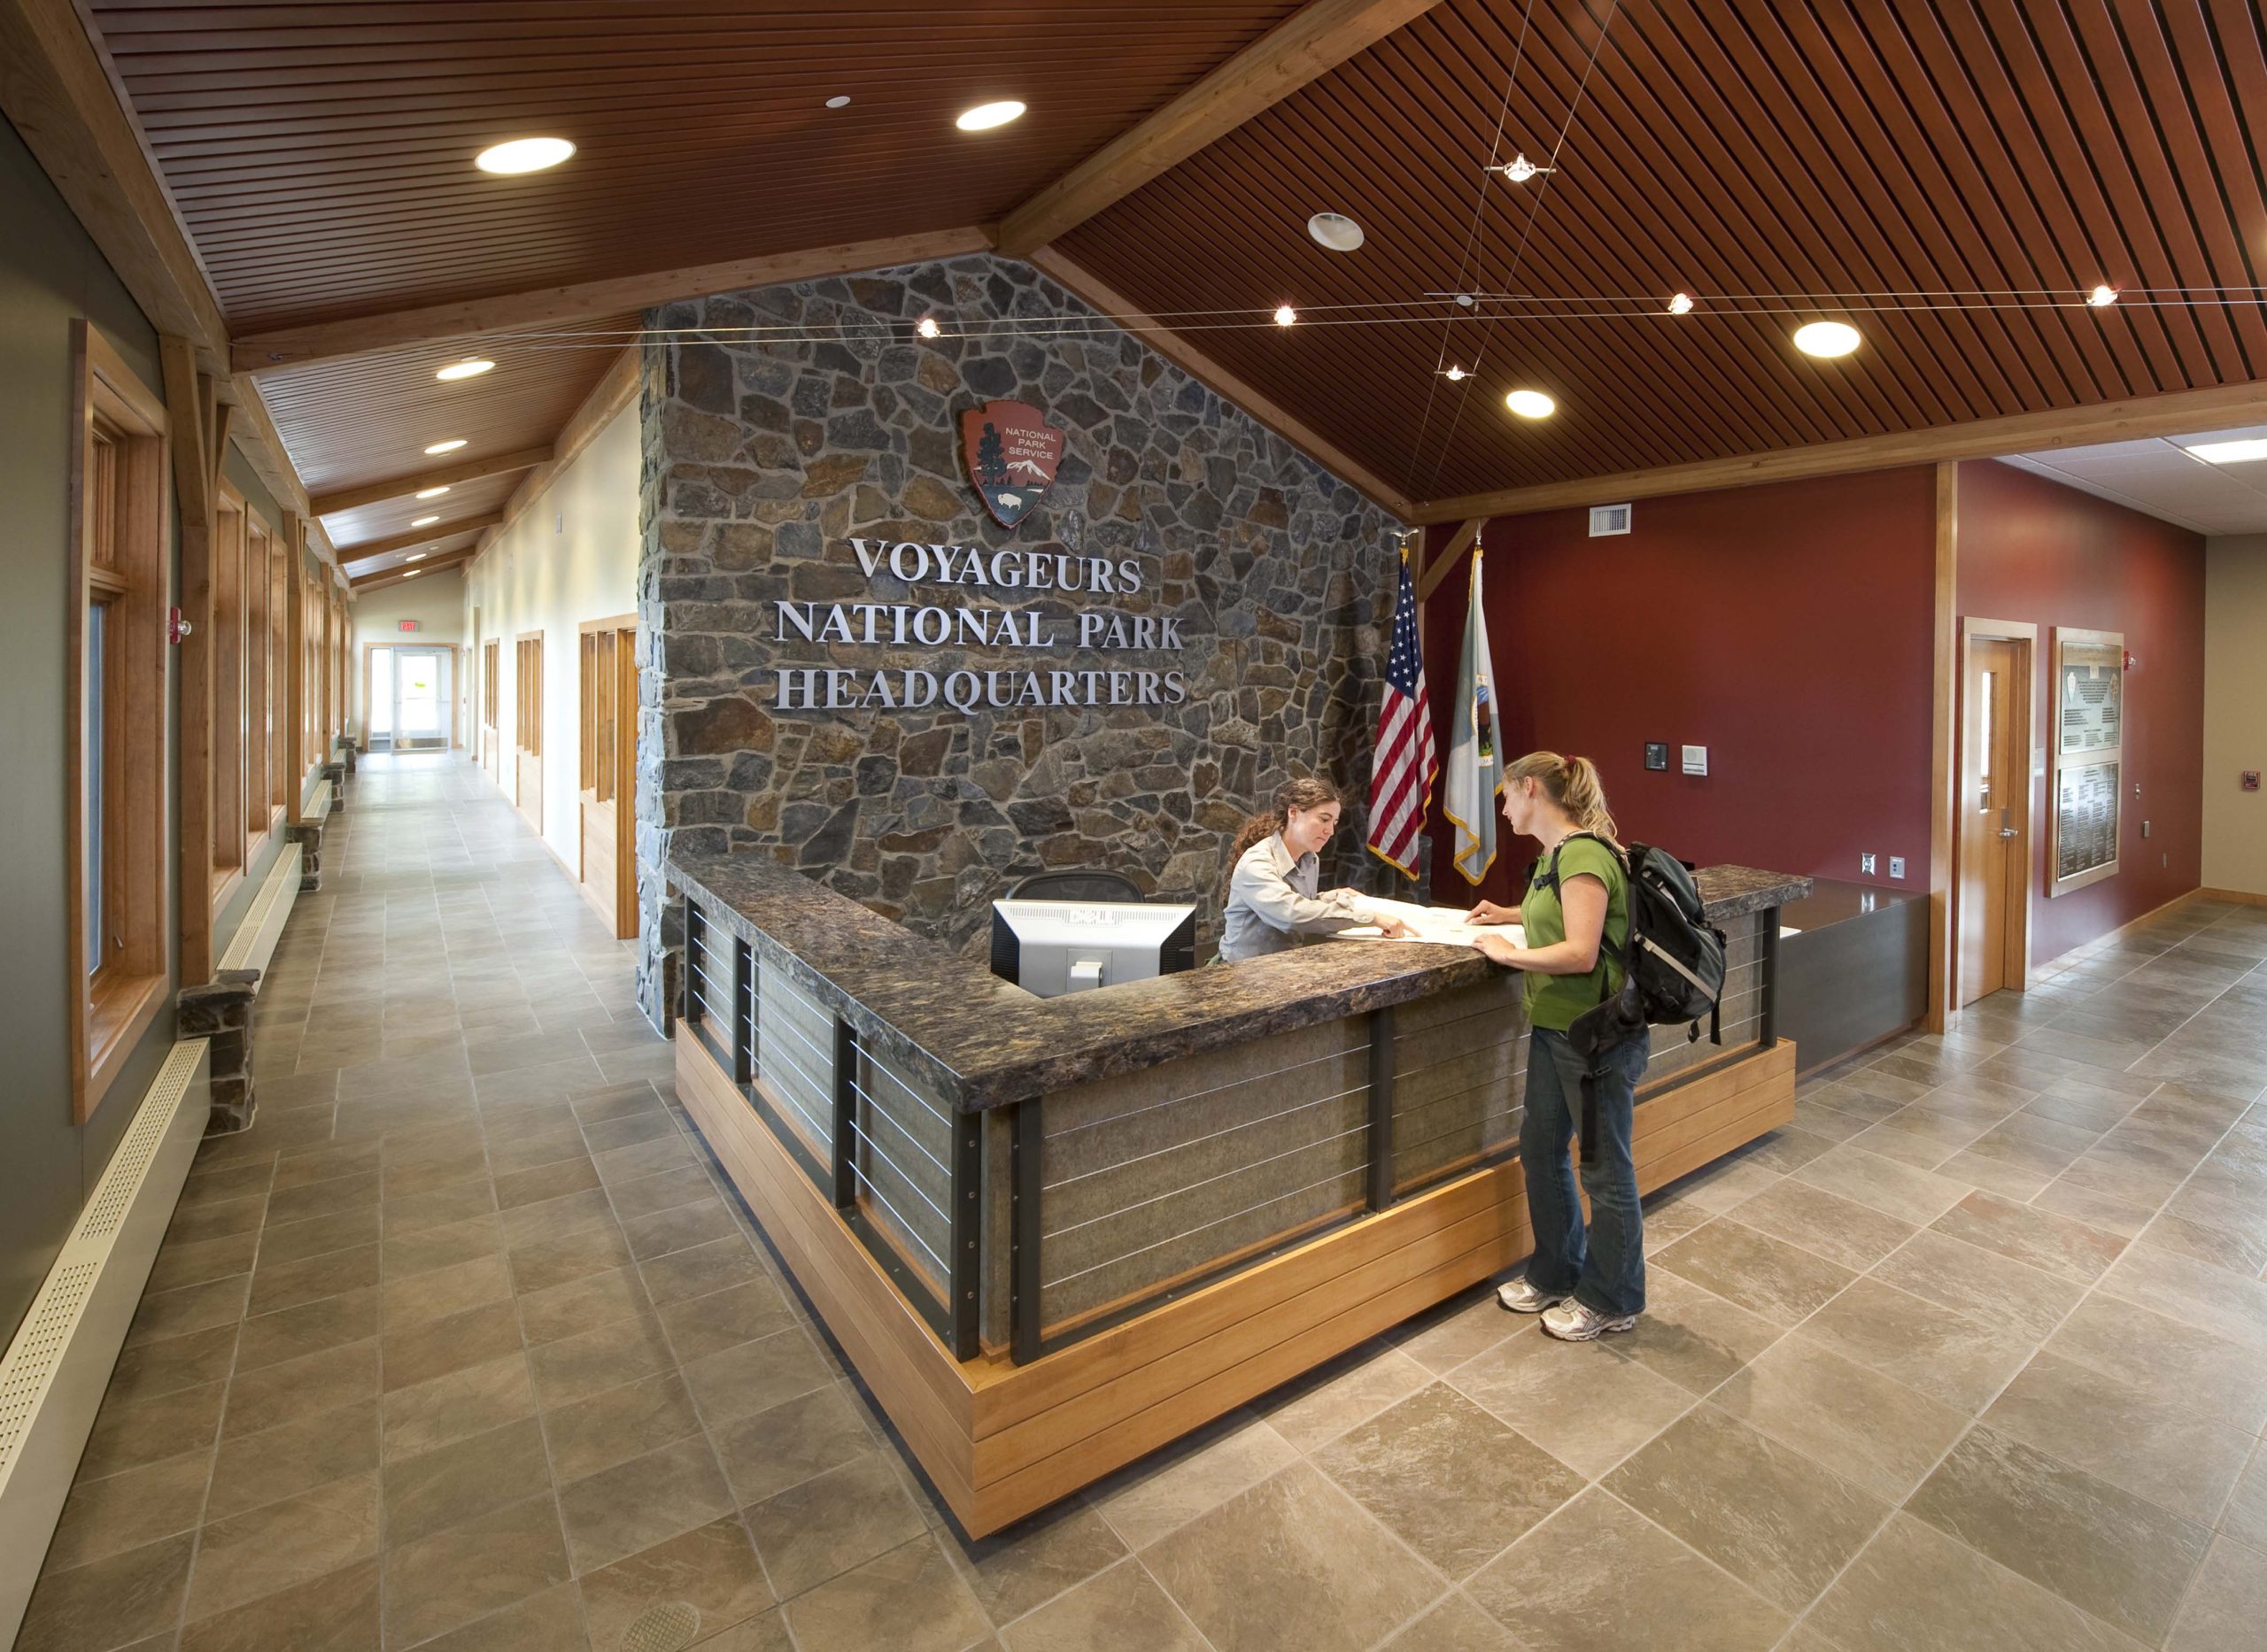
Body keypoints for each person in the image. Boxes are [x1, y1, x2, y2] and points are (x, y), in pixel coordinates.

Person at [1464, 753, 1644, 1341]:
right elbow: (1564, 918)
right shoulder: (1556, 857)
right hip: (1555, 1030)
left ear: (1532, 790)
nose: (1505, 809)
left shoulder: (1586, 853)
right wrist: (1512, 914)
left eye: (1507, 797)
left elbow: (1581, 953)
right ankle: (1555, 1272)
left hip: (1594, 1039)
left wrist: (1506, 952)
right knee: (1540, 1150)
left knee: (1603, 1172)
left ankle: (1611, 1299)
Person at [1219, 776, 1412, 962]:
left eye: (1334, 822)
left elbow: (1301, 902)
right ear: (1293, 812)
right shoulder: (1257, 863)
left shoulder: (1310, 858)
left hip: (1282, 966)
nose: (1330, 831)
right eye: (1324, 819)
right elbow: (1291, 914)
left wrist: (1330, 897)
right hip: (1241, 971)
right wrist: (1370, 918)